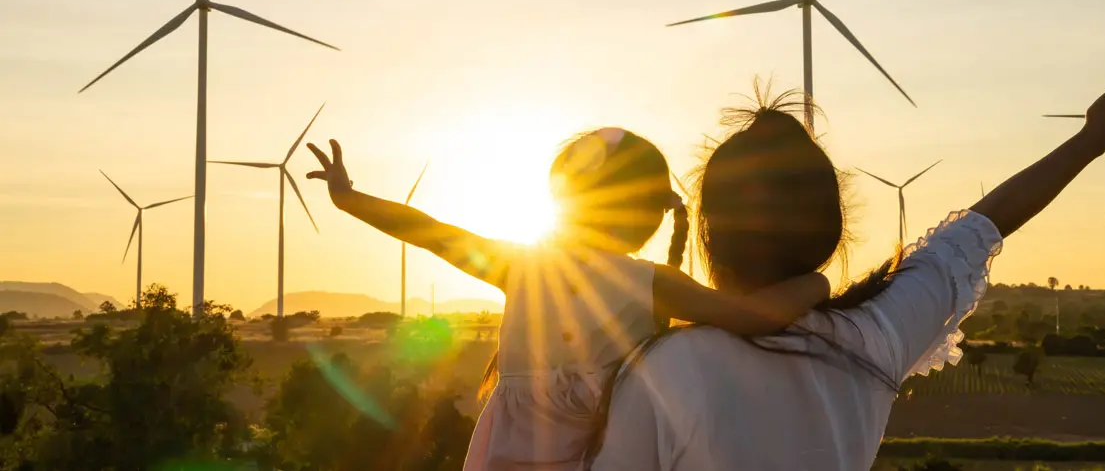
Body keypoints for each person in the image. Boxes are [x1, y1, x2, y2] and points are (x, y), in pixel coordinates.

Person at [587, 72, 1105, 471]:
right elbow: (984, 225)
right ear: (831, 229)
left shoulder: (664, 370)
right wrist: (1092, 139)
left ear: (710, 232)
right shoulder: (873, 338)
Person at [306, 127, 831, 470]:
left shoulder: (524, 266)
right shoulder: (649, 281)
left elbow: (427, 230)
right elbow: (749, 317)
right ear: (646, 216)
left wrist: (348, 198)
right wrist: (816, 284)